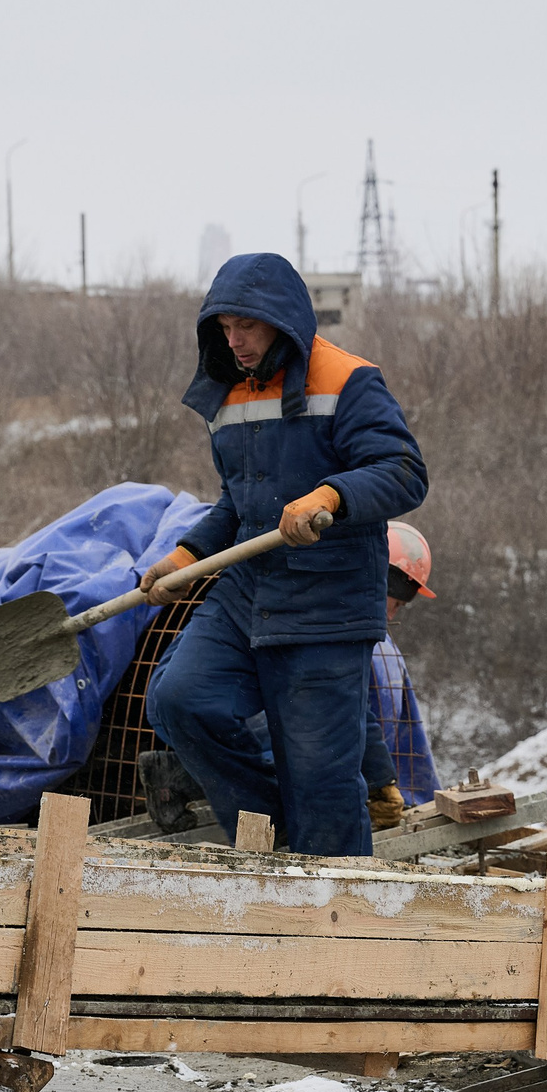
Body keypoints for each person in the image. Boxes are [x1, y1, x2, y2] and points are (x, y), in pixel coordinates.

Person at [143, 253, 427, 857]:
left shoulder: (348, 380)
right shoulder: (228, 394)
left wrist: (330, 494)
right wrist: (184, 555)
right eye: (223, 329)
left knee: (322, 781)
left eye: (246, 326)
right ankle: (271, 832)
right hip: (250, 593)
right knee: (181, 698)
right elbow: (237, 504)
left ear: (282, 320)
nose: (235, 341)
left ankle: (334, 910)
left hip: (327, 603)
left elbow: (403, 472)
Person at [365, 521, 437, 831]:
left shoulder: (382, 649)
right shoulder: (376, 649)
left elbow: (408, 735)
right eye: (395, 603)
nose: (392, 616)